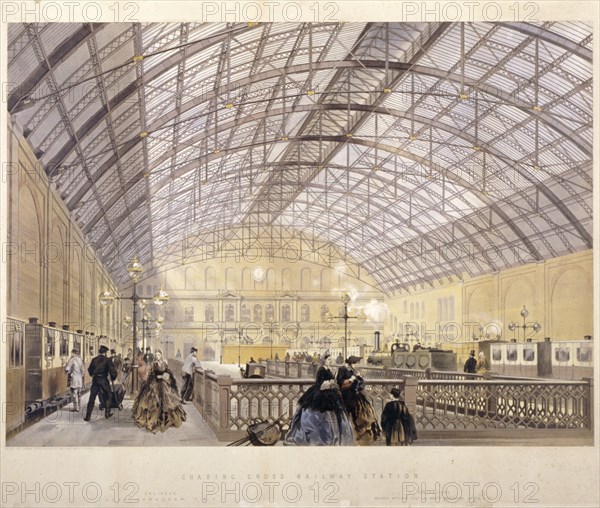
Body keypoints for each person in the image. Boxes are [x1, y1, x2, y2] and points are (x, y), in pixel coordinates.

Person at [284, 351, 355, 446]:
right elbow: (320, 384)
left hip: (331, 392)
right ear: (324, 360)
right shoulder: (321, 370)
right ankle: (322, 438)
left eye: (331, 360)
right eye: (328, 360)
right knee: (320, 415)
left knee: (334, 415)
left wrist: (333, 383)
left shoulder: (328, 369)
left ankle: (334, 436)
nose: (330, 361)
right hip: (321, 393)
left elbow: (332, 380)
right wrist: (330, 383)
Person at [132, 349, 186, 433]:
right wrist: (157, 377)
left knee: (168, 399)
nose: (157, 356)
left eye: (159, 355)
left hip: (164, 382)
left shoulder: (164, 363)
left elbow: (167, 371)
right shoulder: (153, 364)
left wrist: (166, 376)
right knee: (153, 400)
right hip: (155, 382)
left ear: (161, 355)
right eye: (156, 355)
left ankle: (167, 420)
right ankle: (155, 420)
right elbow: (151, 374)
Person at [336, 355, 382, 443]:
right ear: (351, 363)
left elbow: (360, 383)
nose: (356, 365)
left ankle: (365, 434)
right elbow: (341, 383)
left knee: (368, 410)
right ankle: (352, 435)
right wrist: (351, 379)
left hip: (356, 394)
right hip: (347, 395)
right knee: (353, 414)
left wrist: (359, 379)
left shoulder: (354, 370)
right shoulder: (343, 369)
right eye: (355, 363)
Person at [84, 345, 118, 421]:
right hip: (103, 380)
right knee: (109, 395)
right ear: (105, 352)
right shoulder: (107, 360)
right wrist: (113, 377)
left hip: (95, 380)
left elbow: (90, 370)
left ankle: (87, 416)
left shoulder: (94, 359)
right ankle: (107, 413)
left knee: (92, 398)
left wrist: (93, 375)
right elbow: (113, 371)